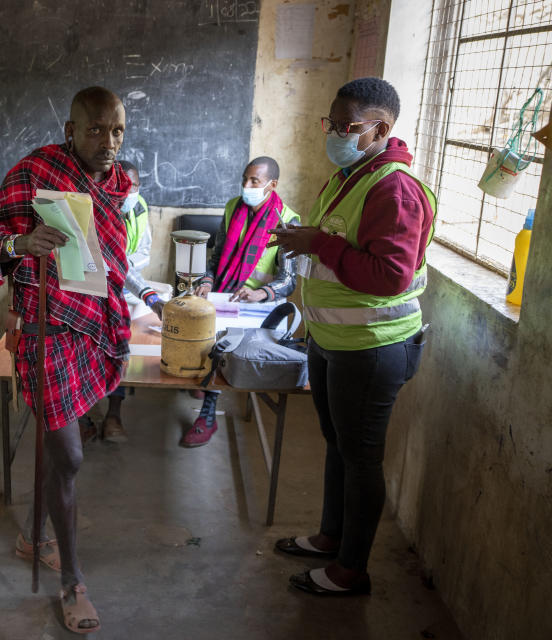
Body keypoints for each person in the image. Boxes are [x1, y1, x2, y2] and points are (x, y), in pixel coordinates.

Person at [0, 86, 133, 634]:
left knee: (55, 443)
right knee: (69, 453)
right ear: (70, 130)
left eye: (117, 131)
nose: (108, 142)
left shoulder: (117, 186)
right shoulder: (35, 171)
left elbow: (113, 261)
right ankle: (72, 581)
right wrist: (22, 244)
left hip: (88, 330)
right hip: (44, 332)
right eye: (95, 130)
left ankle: (32, 538)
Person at [268, 77, 435, 596]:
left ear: (380, 128)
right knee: (337, 445)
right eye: (332, 122)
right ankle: (329, 537)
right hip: (333, 342)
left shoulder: (395, 188)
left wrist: (317, 242)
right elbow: (338, 245)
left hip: (373, 349)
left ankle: (350, 570)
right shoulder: (350, 175)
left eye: (346, 125)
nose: (335, 132)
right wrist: (304, 243)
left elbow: (391, 276)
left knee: (361, 457)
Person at [182, 157, 299, 448]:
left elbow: (289, 281)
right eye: (244, 179)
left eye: (254, 182)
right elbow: (217, 255)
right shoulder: (234, 207)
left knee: (226, 343)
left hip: (258, 306)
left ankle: (209, 404)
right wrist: (207, 281)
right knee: (203, 329)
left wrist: (262, 293)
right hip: (225, 294)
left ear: (272, 185)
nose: (247, 187)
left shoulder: (288, 220)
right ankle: (208, 396)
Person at [99, 159, 164, 444]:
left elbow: (136, 256)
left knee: (121, 348)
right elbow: (111, 260)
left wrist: (145, 291)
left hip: (127, 290)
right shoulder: (97, 210)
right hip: (94, 291)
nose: (130, 190)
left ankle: (114, 413)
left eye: (135, 185)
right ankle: (79, 416)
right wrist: (148, 295)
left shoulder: (138, 207)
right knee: (87, 351)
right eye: (123, 184)